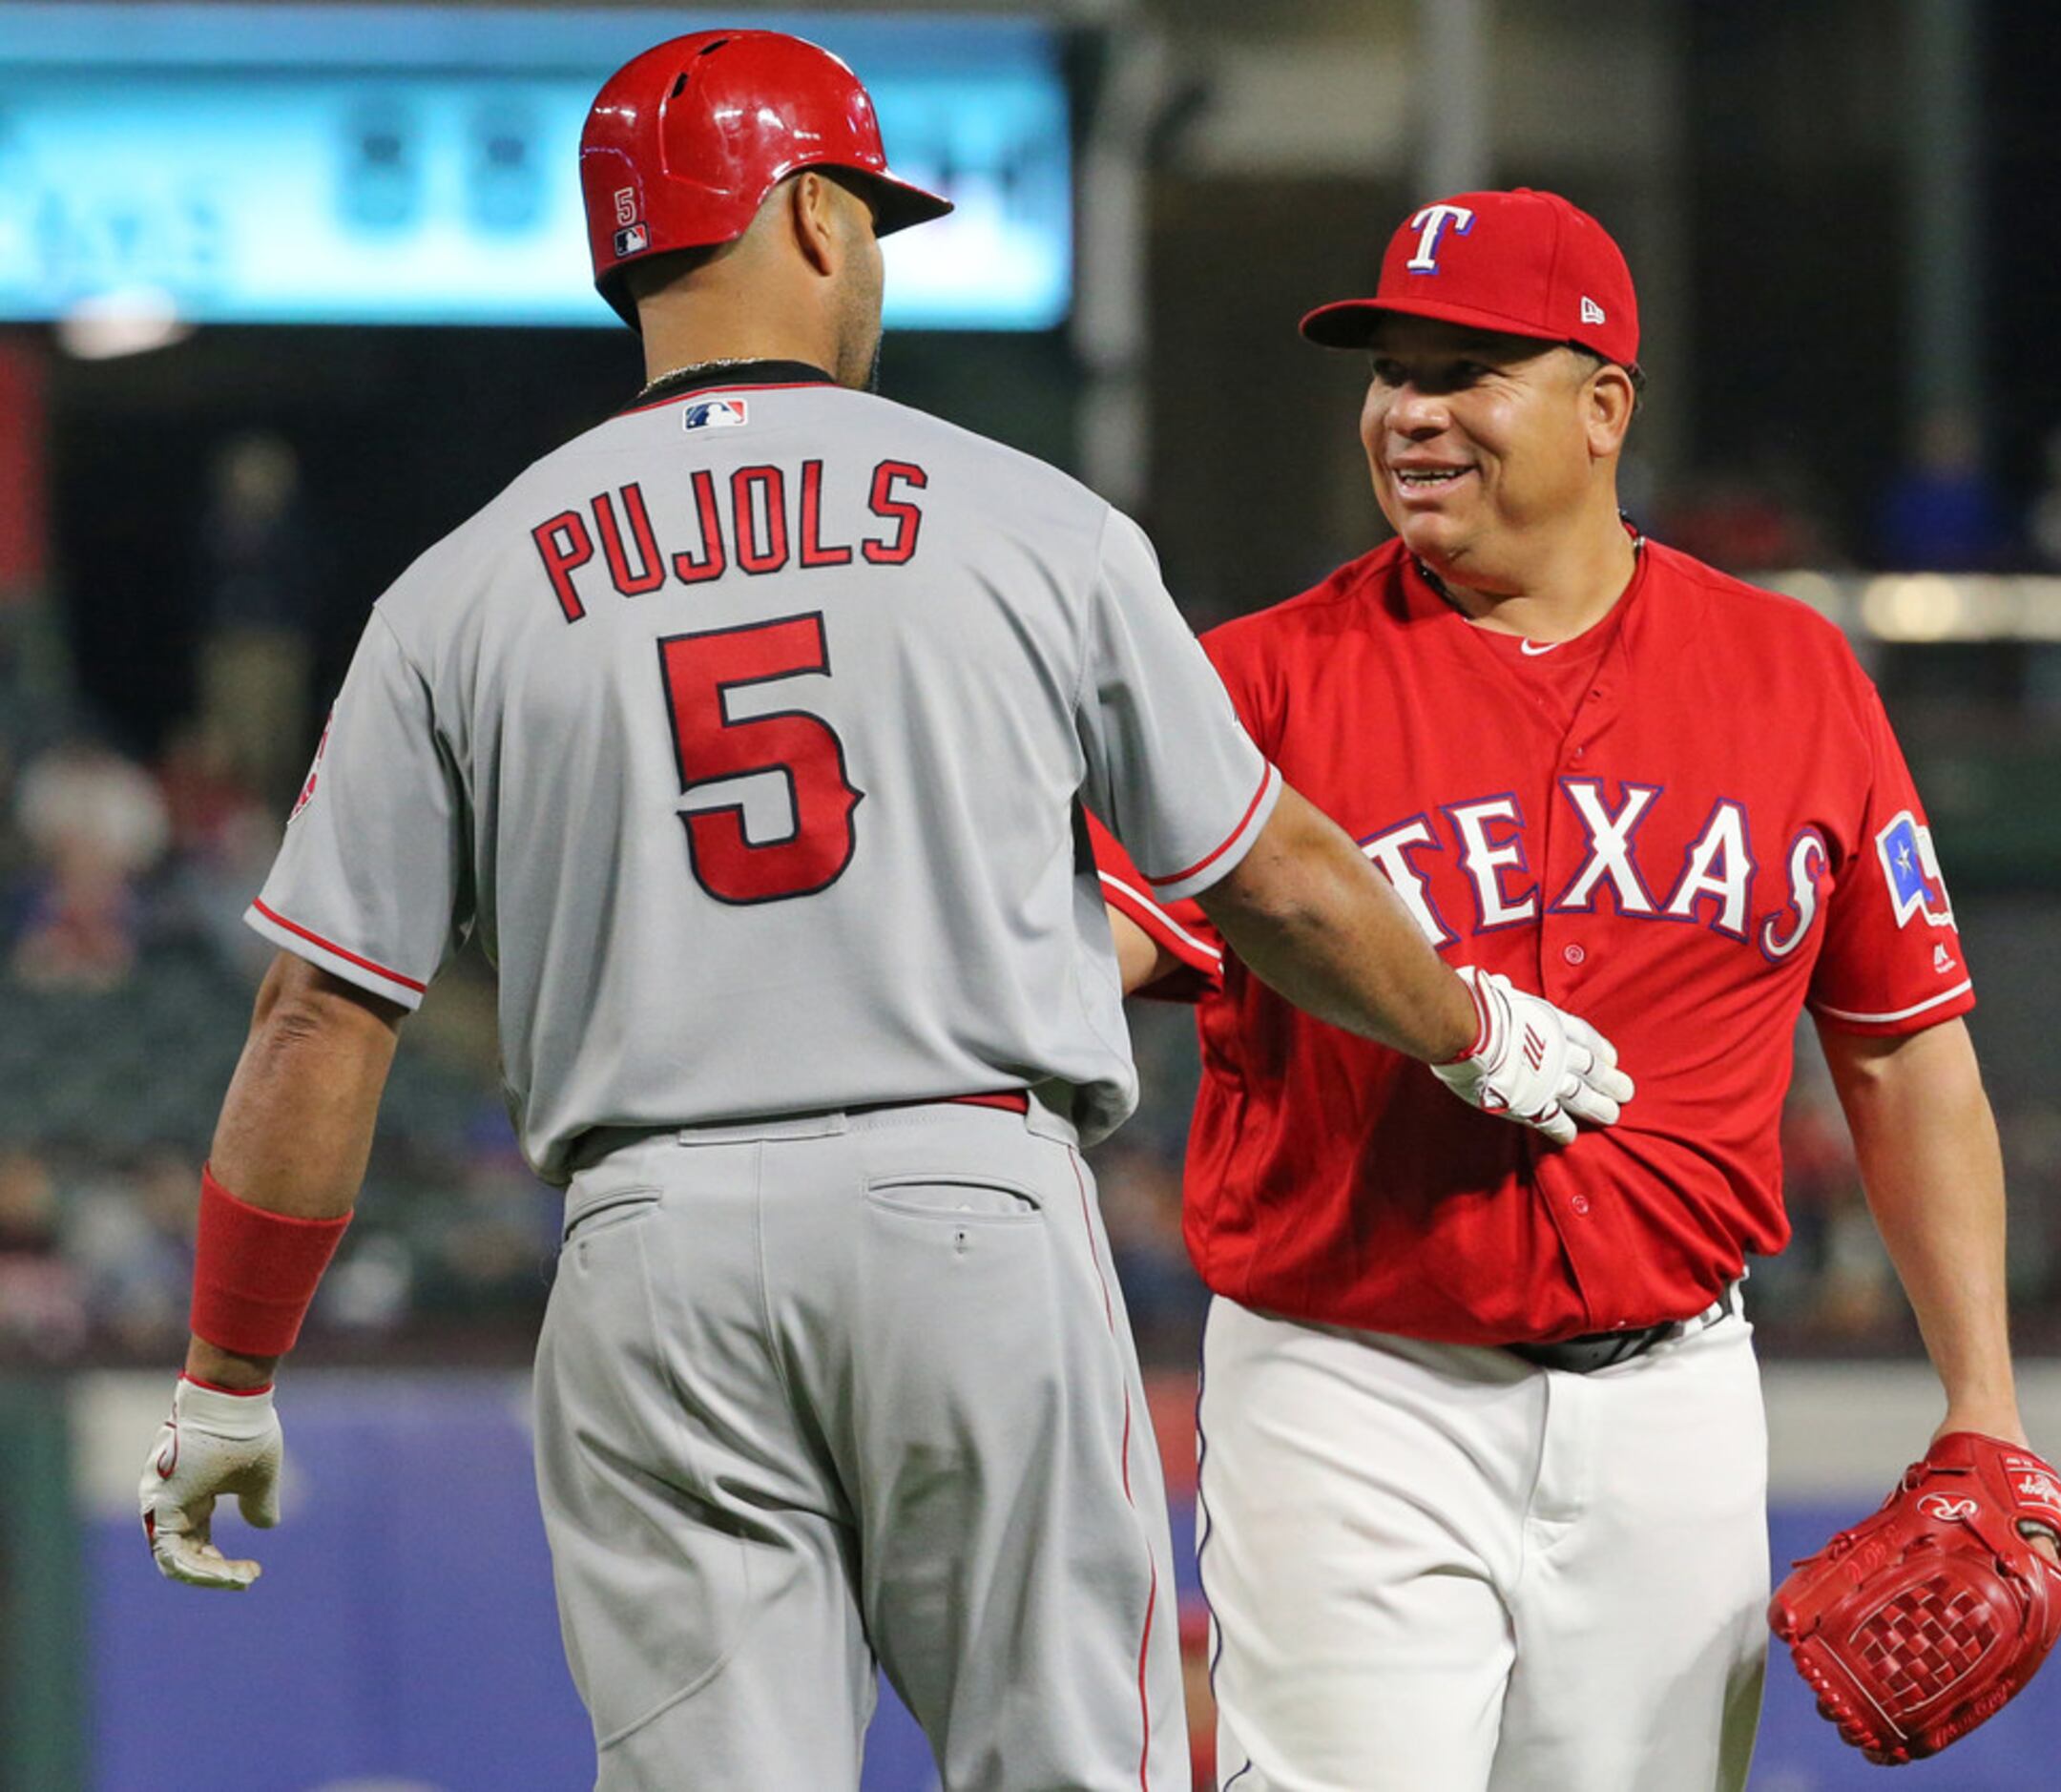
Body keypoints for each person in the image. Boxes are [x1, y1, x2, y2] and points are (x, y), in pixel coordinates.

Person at [135, 46, 1629, 1792]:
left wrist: (229, 1374)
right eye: (874, 216)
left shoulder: (457, 588)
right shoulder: (1028, 522)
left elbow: (317, 1018)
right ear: (816, 218)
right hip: (967, 1211)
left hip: (652, 1241)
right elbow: (1273, 874)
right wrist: (1479, 1031)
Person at [1095, 187, 2061, 1790]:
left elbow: (1904, 1055)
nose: (1412, 412)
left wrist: (1985, 1403)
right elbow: (1090, 945)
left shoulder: (1792, 674)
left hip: (1674, 1395)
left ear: (1604, 405)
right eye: (1392, 372)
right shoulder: (1259, 678)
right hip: (1355, 1389)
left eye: (1469, 370)